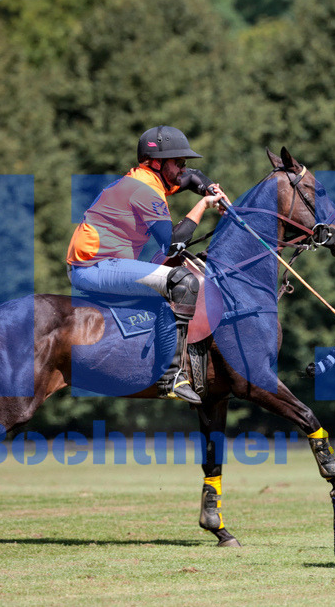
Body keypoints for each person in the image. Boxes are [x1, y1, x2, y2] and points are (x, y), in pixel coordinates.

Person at [66, 126, 228, 404]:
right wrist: (204, 204)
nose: (182, 168)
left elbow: (193, 177)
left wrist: (212, 189)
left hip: (101, 264)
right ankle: (171, 376)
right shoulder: (145, 190)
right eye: (178, 162)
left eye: (183, 162)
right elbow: (173, 245)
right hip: (94, 268)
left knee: (169, 286)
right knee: (182, 282)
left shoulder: (147, 178)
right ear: (157, 162)